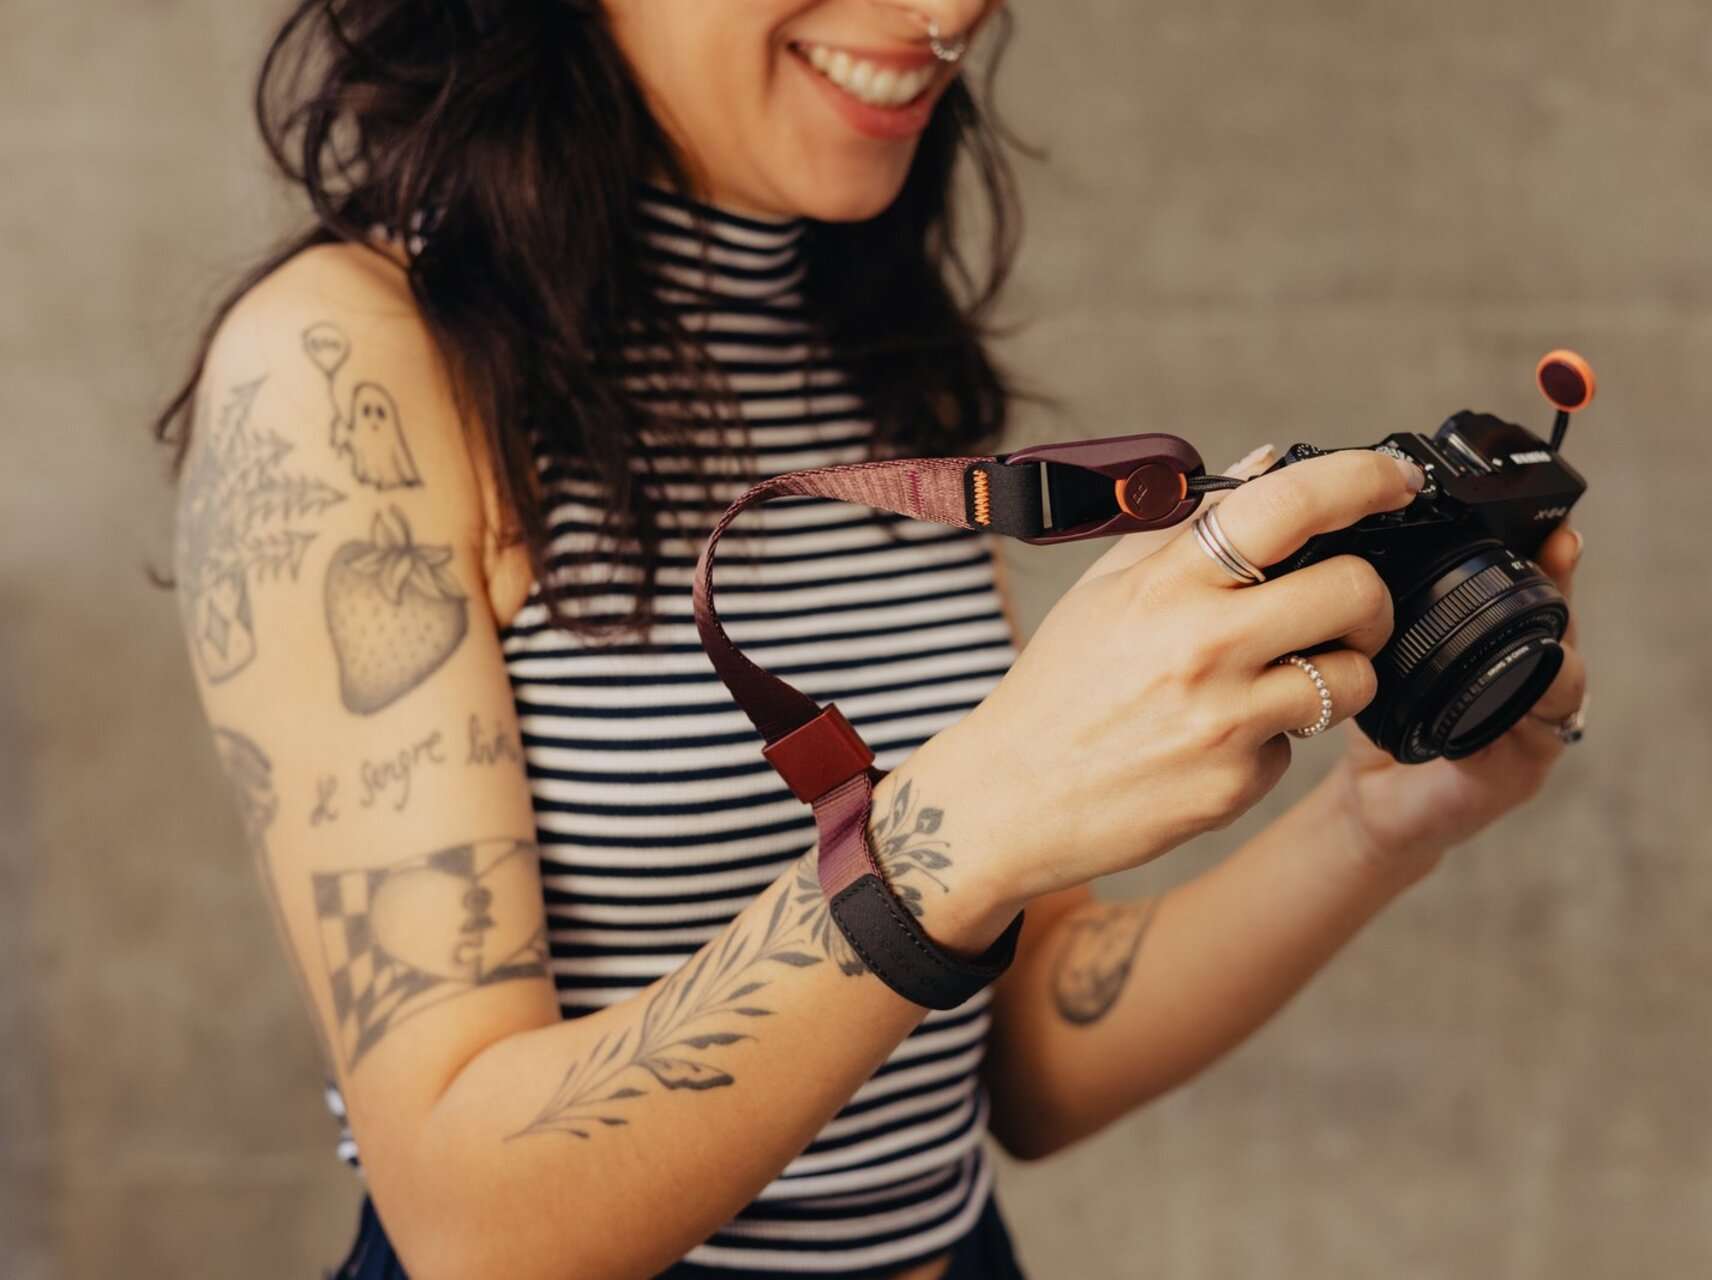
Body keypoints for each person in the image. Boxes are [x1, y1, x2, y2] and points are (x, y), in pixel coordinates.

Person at [155, 2, 1591, 1277]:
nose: (947, 11)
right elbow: (472, 1232)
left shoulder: (867, 343)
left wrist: (1380, 823)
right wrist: (973, 813)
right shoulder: (342, 369)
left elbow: (1030, 1058)